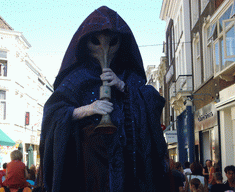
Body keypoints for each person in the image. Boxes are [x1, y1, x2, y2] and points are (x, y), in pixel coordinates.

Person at [38, 5, 169, 192]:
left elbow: (152, 102)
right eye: (96, 42)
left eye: (112, 42)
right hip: (88, 174)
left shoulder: (128, 76)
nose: (104, 48)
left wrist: (124, 87)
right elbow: (53, 113)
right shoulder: (77, 79)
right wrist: (86, 109)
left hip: (128, 174)